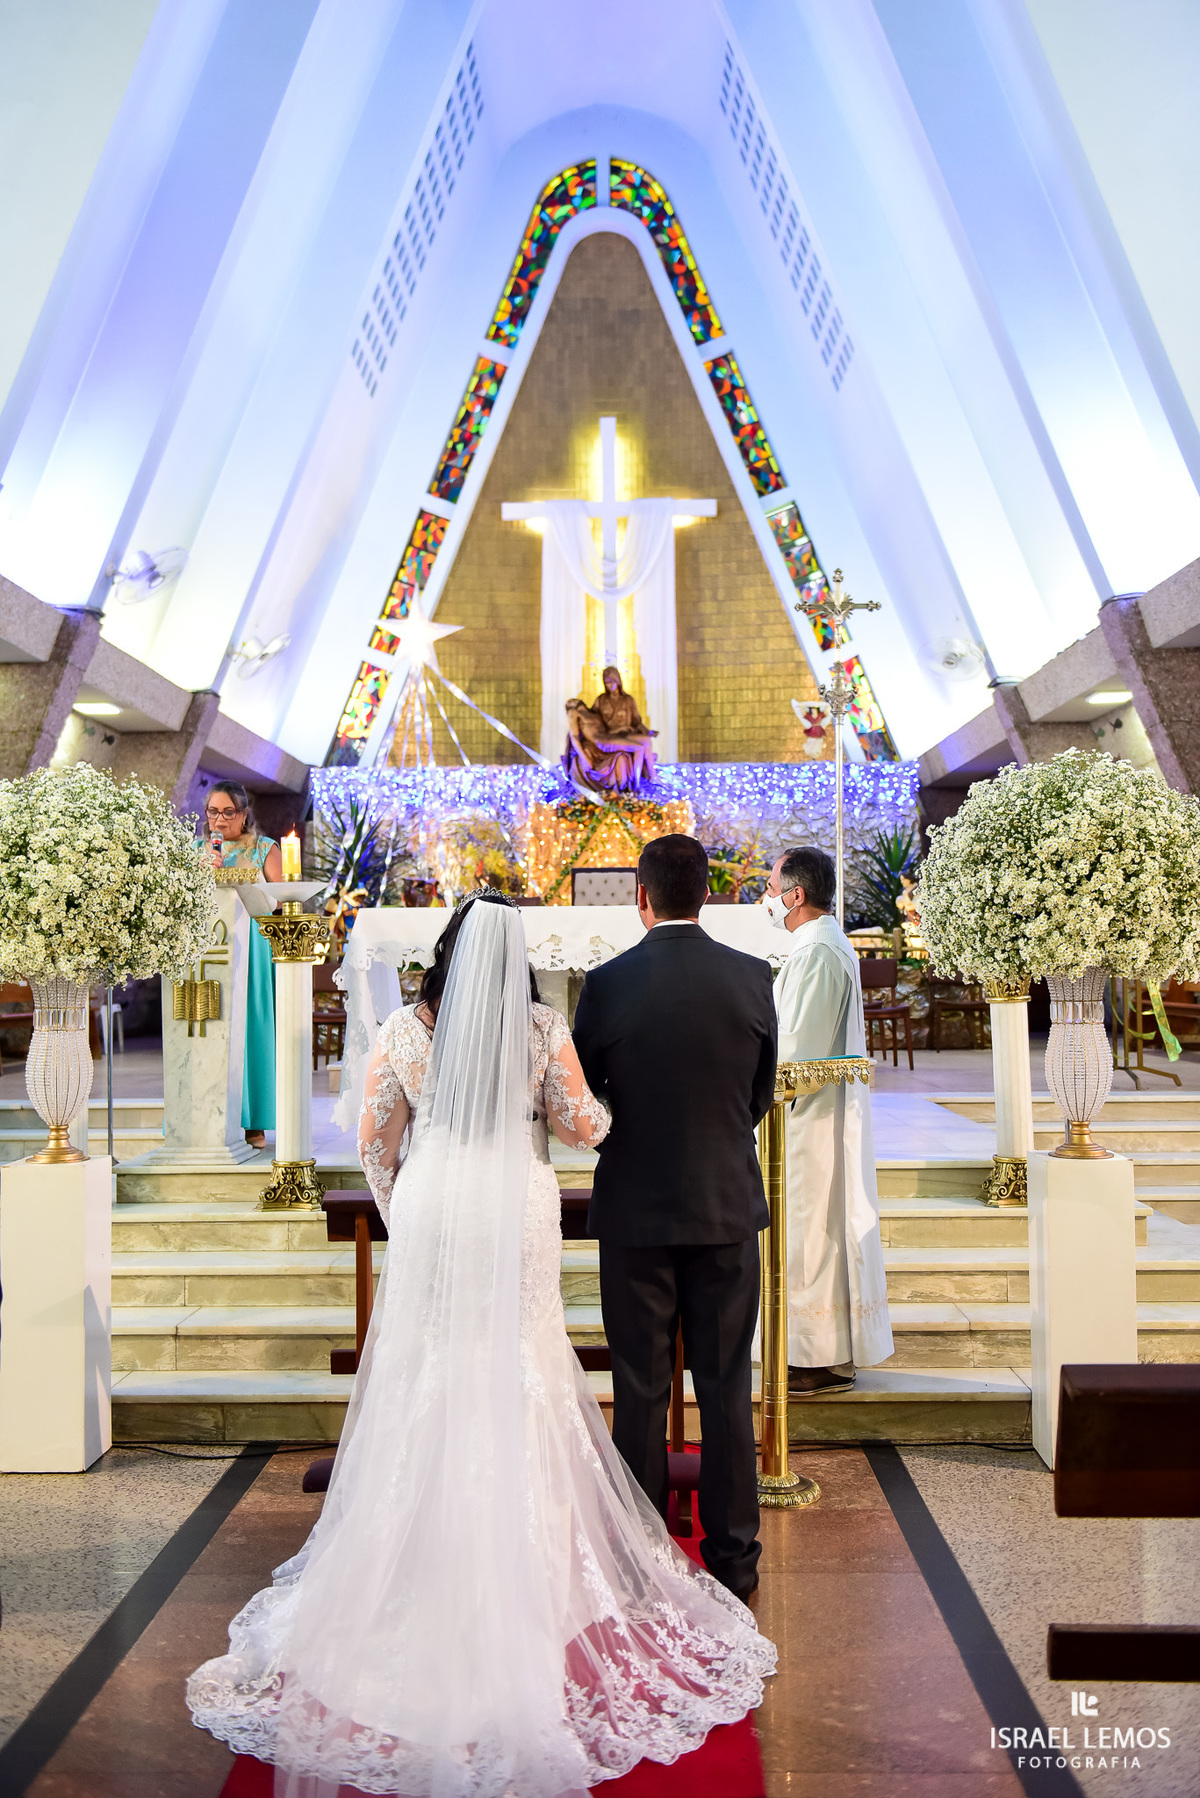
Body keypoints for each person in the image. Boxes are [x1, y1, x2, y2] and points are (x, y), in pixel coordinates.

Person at [186, 893, 773, 1796]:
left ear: (447, 948)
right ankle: (531, 1577)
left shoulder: (404, 1029)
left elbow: (377, 1143)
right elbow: (584, 1126)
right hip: (516, 1206)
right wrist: (620, 1108)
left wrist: (407, 1211)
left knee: (429, 1372)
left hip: (435, 1204)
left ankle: (408, 1569)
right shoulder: (541, 1027)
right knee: (524, 1369)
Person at [572, 836, 777, 1603]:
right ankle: (735, 1562)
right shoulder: (753, 977)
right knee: (726, 1388)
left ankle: (641, 1563)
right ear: (707, 894)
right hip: (726, 1205)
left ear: (641, 896)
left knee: (641, 1388)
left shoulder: (608, 984)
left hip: (635, 1211)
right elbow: (759, 1094)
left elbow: (585, 1099)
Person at [764, 846, 893, 1394]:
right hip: (810, 1116)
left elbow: (798, 1053)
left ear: (795, 895)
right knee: (812, 1230)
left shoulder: (816, 950)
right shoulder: (816, 944)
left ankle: (814, 1358)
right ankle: (822, 1352)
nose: (765, 898)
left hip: (806, 1121)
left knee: (809, 1232)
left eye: (771, 887)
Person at [198, 782, 281, 1149]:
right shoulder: (197, 852)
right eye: (213, 812)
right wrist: (203, 874)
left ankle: (253, 1120)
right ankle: (207, 1113)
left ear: (244, 814)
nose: (219, 820)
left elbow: (280, 902)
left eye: (227, 812)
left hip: (252, 947)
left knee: (249, 1027)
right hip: (208, 950)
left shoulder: (265, 849)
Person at [562, 666, 657, 793]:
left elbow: (636, 722)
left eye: (611, 681)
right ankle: (636, 783)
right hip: (609, 737)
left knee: (646, 740)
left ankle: (652, 776)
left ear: (618, 681)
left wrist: (647, 731)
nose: (609, 685)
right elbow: (592, 719)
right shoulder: (601, 700)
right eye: (606, 682)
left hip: (626, 733)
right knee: (639, 747)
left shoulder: (628, 700)